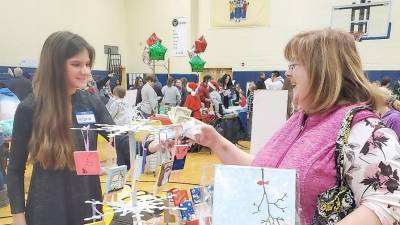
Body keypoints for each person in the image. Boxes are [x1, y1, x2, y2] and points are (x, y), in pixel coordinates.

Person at [191, 29, 400, 225]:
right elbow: (267, 172)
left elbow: (387, 204)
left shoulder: (364, 128)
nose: (287, 73)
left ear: (321, 70)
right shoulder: (301, 119)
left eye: (293, 65)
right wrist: (215, 142)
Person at [6, 31, 158, 225]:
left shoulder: (91, 102)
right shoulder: (30, 107)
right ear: (55, 66)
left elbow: (118, 138)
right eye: (76, 64)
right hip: (47, 208)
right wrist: (18, 218)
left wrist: (153, 145)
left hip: (88, 204)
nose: (85, 71)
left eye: (87, 64)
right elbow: (15, 169)